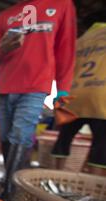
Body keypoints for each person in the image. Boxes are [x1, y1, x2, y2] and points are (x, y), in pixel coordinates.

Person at [0, 0, 77, 200]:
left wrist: (62, 90)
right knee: (7, 136)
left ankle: (10, 193)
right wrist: (3, 48)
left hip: (36, 87)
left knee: (21, 135)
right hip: (6, 88)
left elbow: (65, 50)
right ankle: (11, 182)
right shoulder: (4, 16)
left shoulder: (61, 5)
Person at [51, 23, 106, 177]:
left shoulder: (79, 41)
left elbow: (62, 68)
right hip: (101, 96)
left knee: (63, 140)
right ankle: (91, 190)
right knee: (101, 147)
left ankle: (55, 178)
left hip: (73, 95)